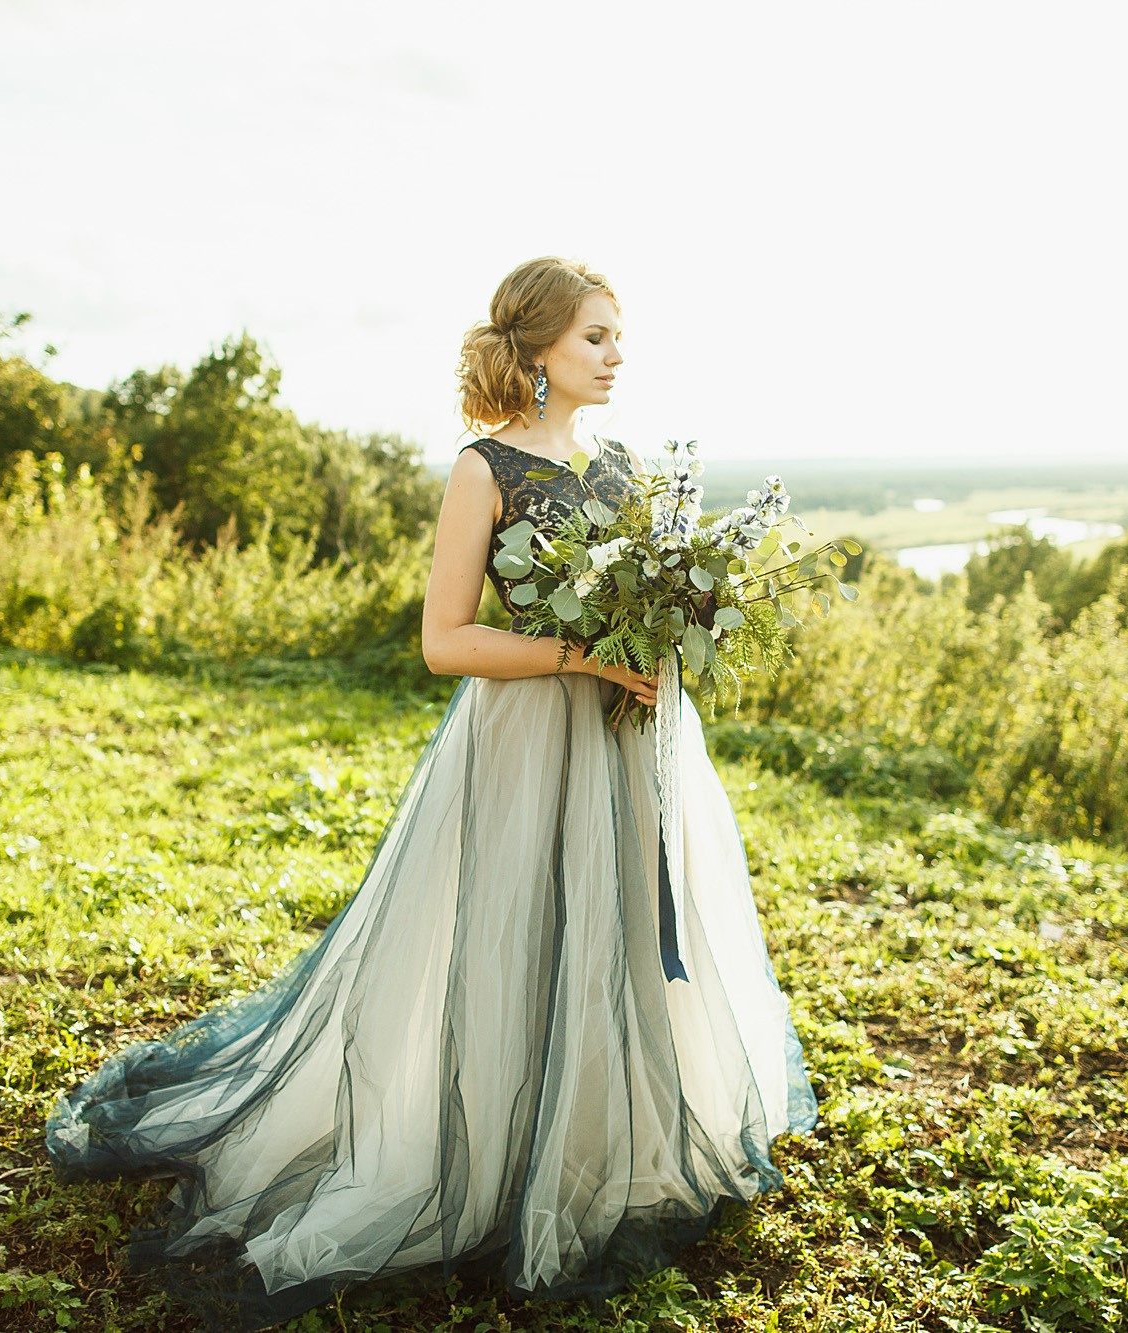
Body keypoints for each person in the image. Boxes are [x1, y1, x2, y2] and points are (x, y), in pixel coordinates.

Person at [44, 256, 819, 1330]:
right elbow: (442, 638)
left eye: (616, 336)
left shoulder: (625, 466)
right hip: (527, 735)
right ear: (539, 346)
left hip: (631, 737)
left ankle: (605, 1142)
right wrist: (577, 656)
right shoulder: (481, 468)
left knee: (622, 930)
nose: (614, 354)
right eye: (596, 335)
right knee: (507, 934)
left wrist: (664, 635)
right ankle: (490, 1151)